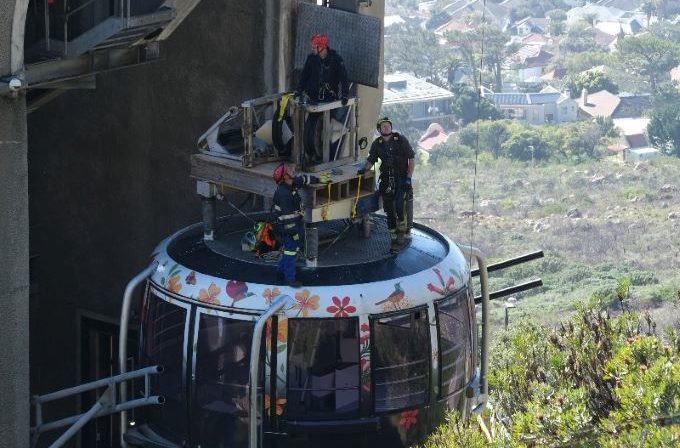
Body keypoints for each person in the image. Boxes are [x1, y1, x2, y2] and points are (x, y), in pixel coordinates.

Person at [357, 117, 415, 253]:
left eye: (388, 126)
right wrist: (363, 170)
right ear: (379, 129)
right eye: (383, 126)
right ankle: (393, 235)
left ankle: (402, 234)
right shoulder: (377, 144)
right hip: (387, 180)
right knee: (389, 209)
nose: (386, 128)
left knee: (401, 206)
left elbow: (411, 158)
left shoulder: (400, 140)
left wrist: (408, 178)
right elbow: (371, 160)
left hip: (401, 179)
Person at [272, 163, 331, 287]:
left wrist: (319, 179)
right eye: (288, 170)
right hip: (288, 227)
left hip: (295, 223)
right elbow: (287, 218)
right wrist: (294, 233)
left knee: (289, 250)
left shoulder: (291, 184)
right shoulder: (284, 194)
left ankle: (279, 272)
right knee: (291, 252)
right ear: (285, 177)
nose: (292, 170)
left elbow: (304, 179)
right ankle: (290, 279)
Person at [296, 33, 350, 105]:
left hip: (330, 99)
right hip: (313, 98)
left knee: (331, 116)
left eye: (314, 47)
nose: (312, 49)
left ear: (322, 47)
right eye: (312, 47)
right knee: (312, 116)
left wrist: (345, 95)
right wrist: (299, 90)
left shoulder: (336, 59)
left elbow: (344, 79)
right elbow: (304, 76)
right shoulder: (311, 58)